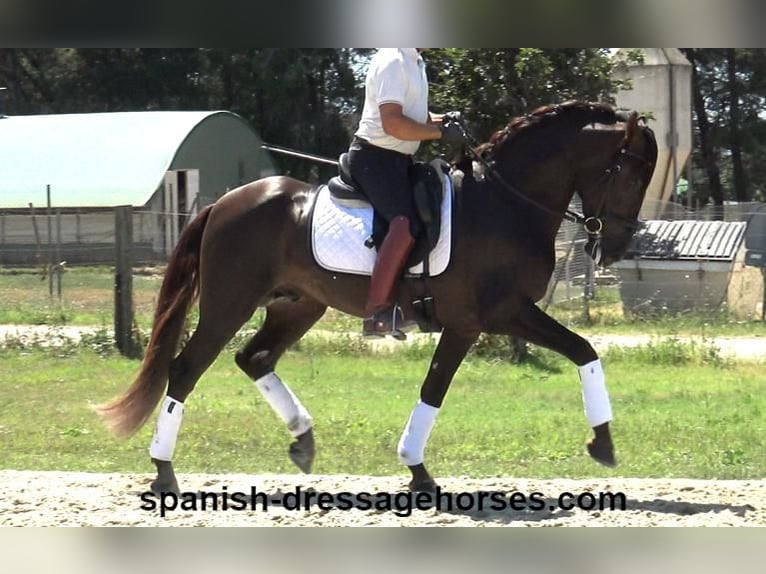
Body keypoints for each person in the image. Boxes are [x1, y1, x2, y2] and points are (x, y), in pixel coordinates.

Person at [348, 48, 465, 339]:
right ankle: (376, 313)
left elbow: (417, 115)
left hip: (398, 161)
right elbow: (393, 123)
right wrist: (439, 135)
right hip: (374, 160)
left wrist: (443, 120)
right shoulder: (393, 60)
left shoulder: (414, 62)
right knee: (404, 223)